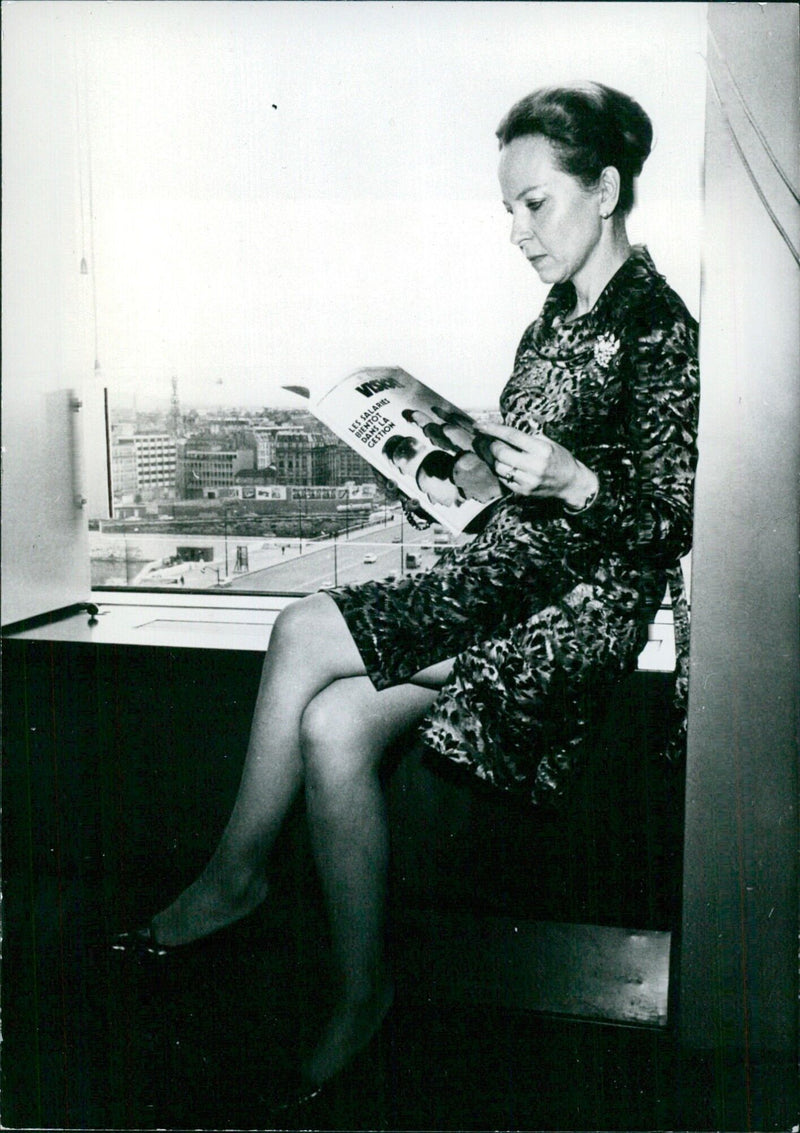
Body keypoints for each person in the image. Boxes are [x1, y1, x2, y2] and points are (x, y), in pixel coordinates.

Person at [113, 82, 699, 1108]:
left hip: (570, 620)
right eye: (508, 208)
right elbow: (518, 495)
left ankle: (232, 878)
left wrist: (571, 481)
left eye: (534, 203)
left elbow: (677, 517)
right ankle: (361, 991)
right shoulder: (553, 320)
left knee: (303, 630)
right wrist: (462, 484)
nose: (516, 230)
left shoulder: (657, 327)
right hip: (513, 581)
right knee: (335, 726)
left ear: (603, 190)